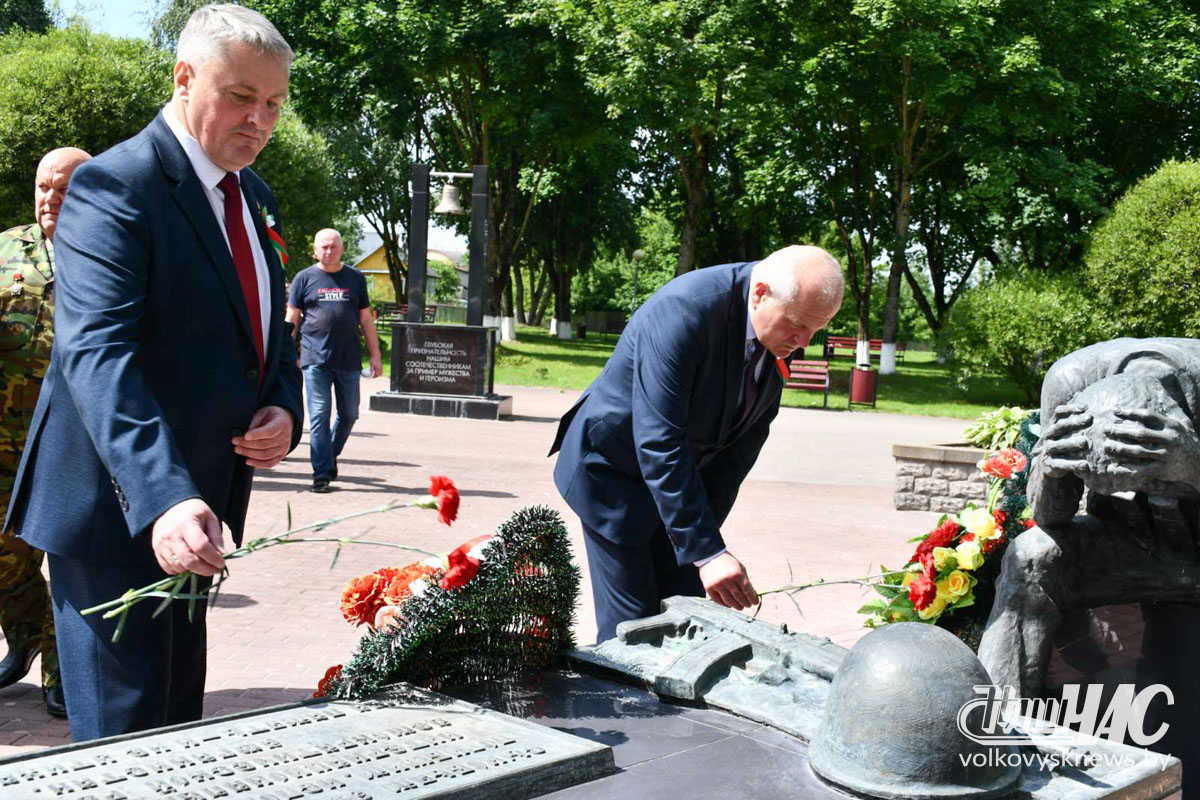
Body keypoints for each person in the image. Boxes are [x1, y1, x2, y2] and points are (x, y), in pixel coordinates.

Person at [4, 4, 303, 742]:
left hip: (195, 510)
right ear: (183, 77)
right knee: (123, 746)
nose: (259, 119)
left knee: (175, 731)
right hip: (118, 512)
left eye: (273, 103)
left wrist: (283, 407)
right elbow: (96, 352)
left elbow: (266, 330)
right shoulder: (117, 185)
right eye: (241, 97)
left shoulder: (252, 195)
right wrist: (164, 495)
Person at [550, 245, 844, 642]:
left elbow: (741, 446)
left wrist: (706, 545)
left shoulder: (780, 330)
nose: (804, 341)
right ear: (759, 294)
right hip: (614, 476)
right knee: (633, 632)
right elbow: (659, 439)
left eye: (816, 328)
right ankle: (619, 706)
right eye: (797, 324)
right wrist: (707, 553)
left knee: (682, 620)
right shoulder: (685, 309)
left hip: (677, 487)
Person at [978, 337, 1200, 697]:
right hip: (1130, 542)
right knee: (1033, 553)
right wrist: (1049, 473)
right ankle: (999, 726)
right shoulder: (1069, 381)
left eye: (1142, 482)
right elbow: (1050, 517)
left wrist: (1193, 465)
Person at [0, 147, 91, 719]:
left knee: (67, 556)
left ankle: (64, 673)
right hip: (4, 439)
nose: (49, 198)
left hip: (72, 442)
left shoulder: (114, 249)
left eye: (63, 188)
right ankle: (28, 635)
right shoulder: (6, 247)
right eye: (43, 186)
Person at [285, 228, 382, 493]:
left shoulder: (355, 278)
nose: (329, 251)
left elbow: (365, 319)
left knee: (349, 413)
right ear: (315, 250)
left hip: (348, 358)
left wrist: (375, 355)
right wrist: (286, 351)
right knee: (319, 414)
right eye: (324, 247)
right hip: (314, 357)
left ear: (342, 248)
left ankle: (328, 457)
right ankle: (321, 473)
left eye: (333, 246)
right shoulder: (304, 278)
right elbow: (292, 317)